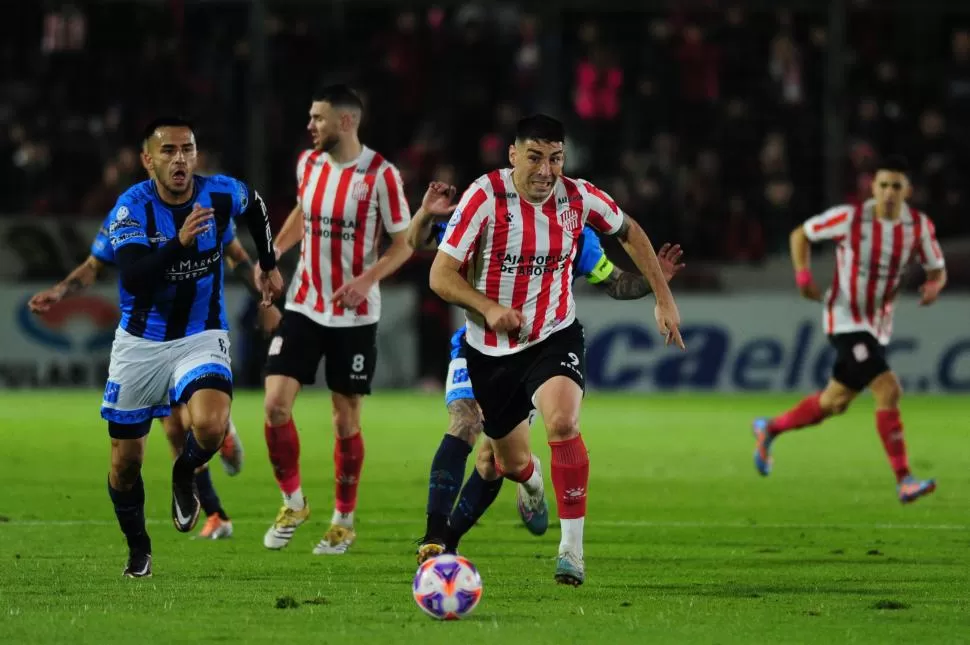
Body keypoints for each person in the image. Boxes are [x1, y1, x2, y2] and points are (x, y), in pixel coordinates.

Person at [428, 114, 685, 586]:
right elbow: (440, 276)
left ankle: (571, 552)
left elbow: (629, 230)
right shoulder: (484, 198)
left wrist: (662, 297)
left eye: (556, 158)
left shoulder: (579, 199)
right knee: (505, 462)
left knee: (563, 422)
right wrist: (488, 307)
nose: (547, 171)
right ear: (512, 156)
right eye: (535, 158)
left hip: (554, 335)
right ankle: (530, 480)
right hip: (490, 350)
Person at [99, 116, 282, 577]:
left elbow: (256, 205)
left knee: (210, 423)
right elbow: (136, 278)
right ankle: (138, 547)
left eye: (188, 149)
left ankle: (186, 472)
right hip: (141, 342)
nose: (180, 158)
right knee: (125, 464)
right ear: (148, 161)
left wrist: (268, 262)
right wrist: (180, 245)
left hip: (202, 333)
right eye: (168, 151)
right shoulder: (131, 208)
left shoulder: (219, 193)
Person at [29, 216, 283, 539]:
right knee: (174, 429)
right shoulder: (128, 215)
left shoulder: (206, 207)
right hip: (149, 342)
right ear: (149, 164)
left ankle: (216, 439)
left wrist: (265, 297)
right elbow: (94, 264)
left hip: (195, 335)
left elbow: (236, 254)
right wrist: (60, 290)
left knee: (189, 424)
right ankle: (216, 510)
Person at [261, 84, 413, 555]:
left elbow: (404, 243)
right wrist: (274, 253)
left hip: (354, 315)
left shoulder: (381, 175)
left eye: (318, 118)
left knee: (344, 421)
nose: (310, 125)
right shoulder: (308, 164)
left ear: (346, 122)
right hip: (305, 304)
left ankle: (343, 519)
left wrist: (367, 280)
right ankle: (294, 502)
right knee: (274, 405)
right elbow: (303, 213)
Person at [752, 155, 943, 504]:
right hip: (844, 318)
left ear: (907, 191)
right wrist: (803, 275)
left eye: (896, 186)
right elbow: (801, 235)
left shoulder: (918, 227)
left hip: (877, 326)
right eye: (883, 185)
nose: (888, 192)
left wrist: (934, 285)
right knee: (888, 389)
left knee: (834, 402)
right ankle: (904, 480)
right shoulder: (851, 218)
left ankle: (769, 428)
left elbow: (937, 268)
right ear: (873, 187)